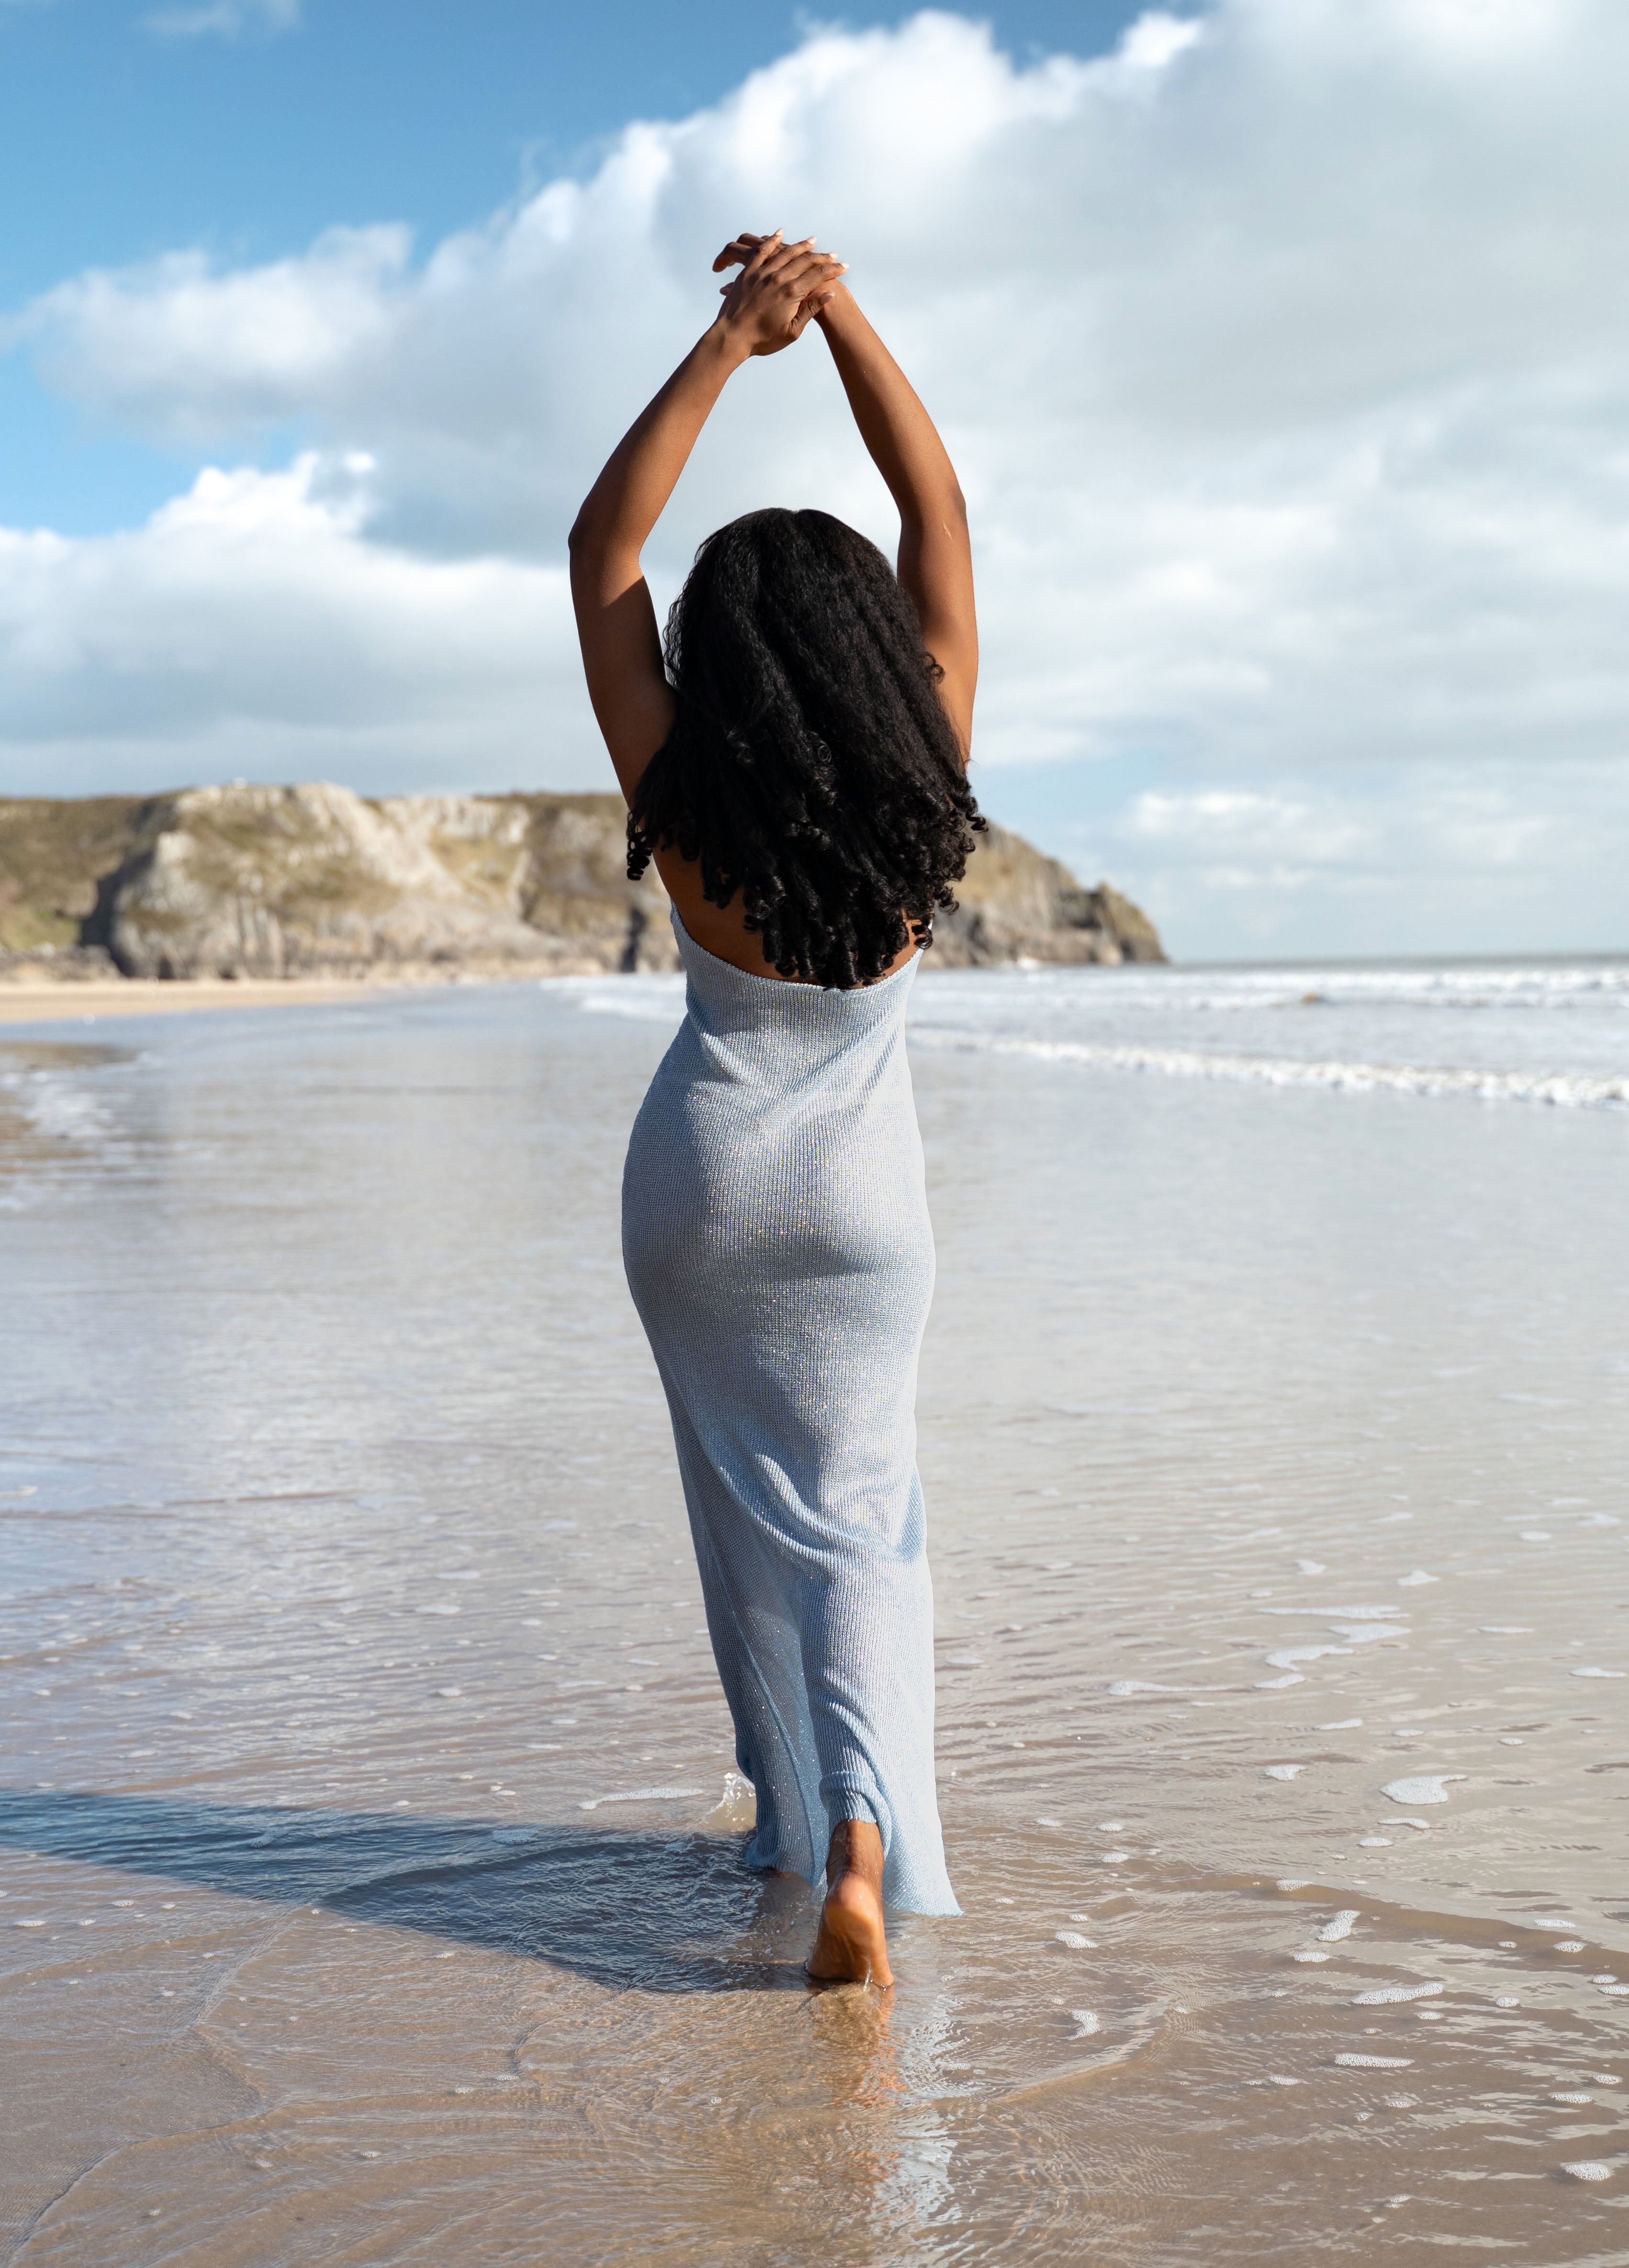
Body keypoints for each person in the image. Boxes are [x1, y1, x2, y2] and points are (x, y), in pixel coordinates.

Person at [568, 230, 981, 1986]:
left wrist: (734, 340)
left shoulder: (684, 795)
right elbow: (939, 514)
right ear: (876, 655)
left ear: (726, 661)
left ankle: (792, 1821)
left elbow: (605, 552)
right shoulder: (924, 770)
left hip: (698, 1189)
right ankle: (865, 1836)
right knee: (863, 1513)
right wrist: (847, 317)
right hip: (862, 1207)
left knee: (739, 1499)